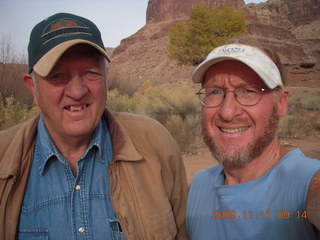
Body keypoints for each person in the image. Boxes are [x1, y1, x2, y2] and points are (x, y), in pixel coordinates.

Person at [0, 12, 188, 240]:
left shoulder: (155, 143)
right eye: (58, 75)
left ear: (106, 77)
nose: (77, 91)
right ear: (33, 89)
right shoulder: (4, 157)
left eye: (90, 73)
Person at [186, 43, 320, 239]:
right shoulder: (199, 185)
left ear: (281, 104)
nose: (227, 112)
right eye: (214, 92)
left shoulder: (306, 181)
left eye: (248, 91)